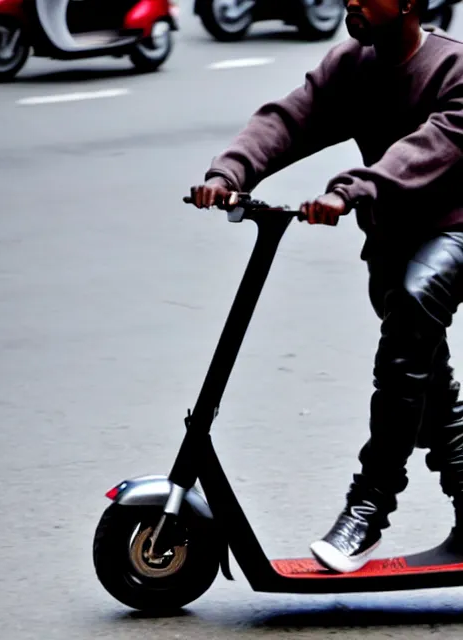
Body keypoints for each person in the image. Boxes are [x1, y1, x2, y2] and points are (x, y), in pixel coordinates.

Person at [189, 0, 463, 573]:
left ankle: (368, 506)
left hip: (453, 233)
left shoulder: (453, 69)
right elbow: (291, 118)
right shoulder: (351, 66)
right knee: (426, 387)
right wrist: (229, 172)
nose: (352, 2)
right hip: (391, 241)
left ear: (410, 2)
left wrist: (350, 190)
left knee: (412, 318)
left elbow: (424, 153)